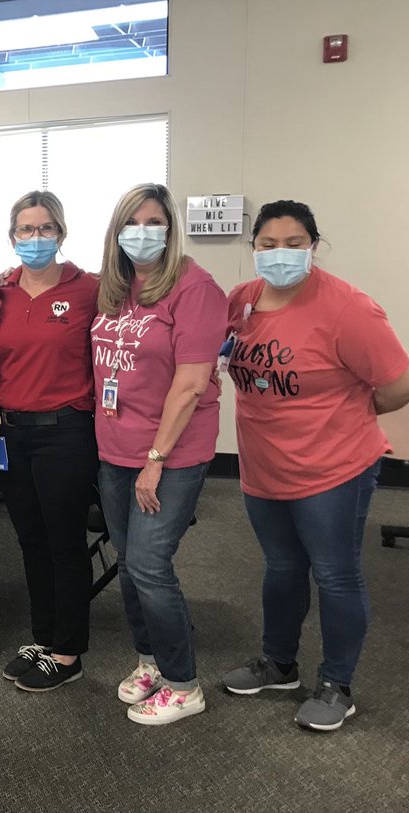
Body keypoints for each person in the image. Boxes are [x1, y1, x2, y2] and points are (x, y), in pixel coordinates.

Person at [220, 200, 409, 731]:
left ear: (314, 247)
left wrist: (347, 415)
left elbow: (398, 384)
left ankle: (336, 685)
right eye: (268, 244)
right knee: (281, 568)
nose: (280, 254)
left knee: (335, 574)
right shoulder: (242, 301)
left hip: (334, 468)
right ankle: (278, 664)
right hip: (264, 465)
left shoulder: (348, 308)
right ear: (253, 248)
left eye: (294, 244)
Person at [91, 182, 227, 725]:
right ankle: (148, 659)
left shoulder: (195, 288)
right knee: (130, 565)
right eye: (132, 222)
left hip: (169, 454)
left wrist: (155, 458)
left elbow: (193, 383)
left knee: (149, 565)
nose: (142, 233)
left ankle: (183, 682)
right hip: (114, 450)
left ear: (170, 229)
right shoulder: (117, 286)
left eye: (154, 222)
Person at [0, 191, 100, 692]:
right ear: (12, 237)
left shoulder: (90, 289)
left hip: (66, 433)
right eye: (26, 230)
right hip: (9, 432)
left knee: (64, 543)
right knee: (30, 540)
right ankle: (44, 637)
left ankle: (69, 650)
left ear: (61, 233)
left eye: (45, 228)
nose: (36, 238)